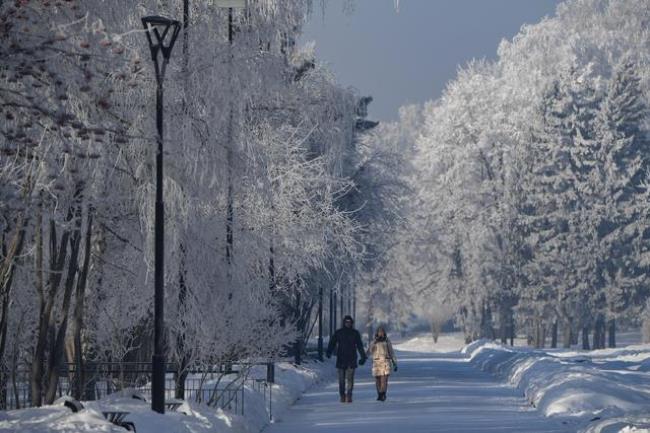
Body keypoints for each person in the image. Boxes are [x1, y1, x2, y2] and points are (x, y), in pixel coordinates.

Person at [326, 315, 366, 403]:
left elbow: (359, 346)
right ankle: (342, 395)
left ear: (352, 323)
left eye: (349, 322)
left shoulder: (355, 333)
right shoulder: (339, 332)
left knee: (350, 379)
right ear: (344, 323)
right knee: (341, 380)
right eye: (346, 322)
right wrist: (329, 351)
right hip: (341, 359)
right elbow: (332, 342)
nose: (348, 323)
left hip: (351, 359)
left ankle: (349, 395)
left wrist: (363, 356)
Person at [367, 326, 397, 401]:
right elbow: (369, 351)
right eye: (379, 332)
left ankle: (382, 393)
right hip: (376, 363)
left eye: (382, 332)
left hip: (385, 362)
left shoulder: (387, 341)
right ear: (377, 333)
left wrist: (394, 362)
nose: (381, 333)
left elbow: (391, 352)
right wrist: (374, 343)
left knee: (384, 379)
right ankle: (379, 393)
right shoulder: (374, 341)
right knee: (378, 380)